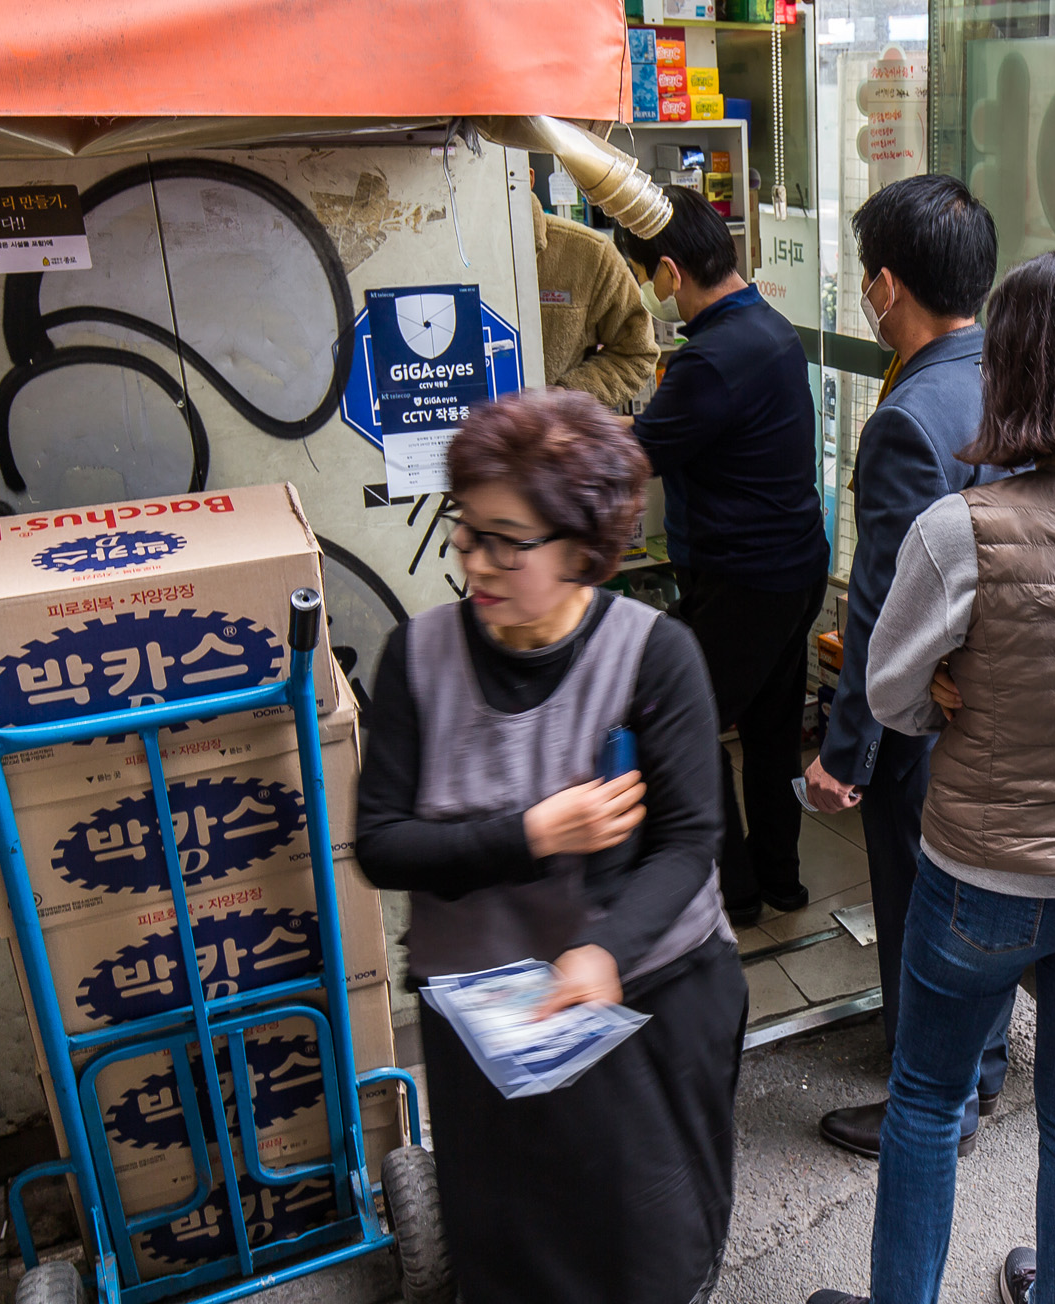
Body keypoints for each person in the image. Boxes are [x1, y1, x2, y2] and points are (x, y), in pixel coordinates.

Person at [809, 250, 1055, 1304]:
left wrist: (956, 679)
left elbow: (891, 699)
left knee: (925, 1102)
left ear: (1013, 374)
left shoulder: (963, 532)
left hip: (980, 878)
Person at [355, 389, 745, 1304]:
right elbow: (383, 846)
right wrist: (532, 833)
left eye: (506, 540)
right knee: (514, 1249)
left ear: (581, 550)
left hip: (646, 994)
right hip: (486, 1014)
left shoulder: (657, 656)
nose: (475, 561)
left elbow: (690, 843)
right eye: (466, 530)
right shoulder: (418, 658)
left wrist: (605, 954)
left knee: (647, 1252)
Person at [802, 174, 1017, 1162]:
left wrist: (844, 752)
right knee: (979, 897)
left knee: (923, 906)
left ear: (886, 284)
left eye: (863, 276)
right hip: (1007, 705)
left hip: (927, 720)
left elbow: (883, 607)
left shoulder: (907, 419)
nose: (863, 293)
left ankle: (937, 1099)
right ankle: (983, 1059)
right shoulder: (1014, 379)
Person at [614, 186, 831, 926]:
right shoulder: (766, 324)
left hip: (745, 579)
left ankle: (733, 892)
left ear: (670, 271)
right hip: (792, 568)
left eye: (646, 273)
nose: (649, 288)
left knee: (678, 725)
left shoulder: (710, 357)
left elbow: (635, 456)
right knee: (771, 736)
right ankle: (782, 880)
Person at [534, 200, 659, 407]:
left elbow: (637, 353)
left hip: (557, 434)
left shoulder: (588, 251)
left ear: (528, 178)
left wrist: (566, 398)